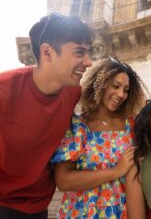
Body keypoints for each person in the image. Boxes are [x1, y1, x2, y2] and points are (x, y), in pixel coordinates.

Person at [0, 12, 94, 217]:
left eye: (88, 53)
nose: (89, 62)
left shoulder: (73, 92)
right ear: (47, 52)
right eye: (79, 52)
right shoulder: (4, 90)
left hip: (40, 207)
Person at [51, 57, 147, 218]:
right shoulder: (77, 125)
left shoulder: (131, 123)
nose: (121, 94)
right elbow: (63, 180)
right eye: (115, 86)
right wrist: (115, 171)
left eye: (126, 90)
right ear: (100, 84)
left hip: (122, 212)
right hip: (82, 213)